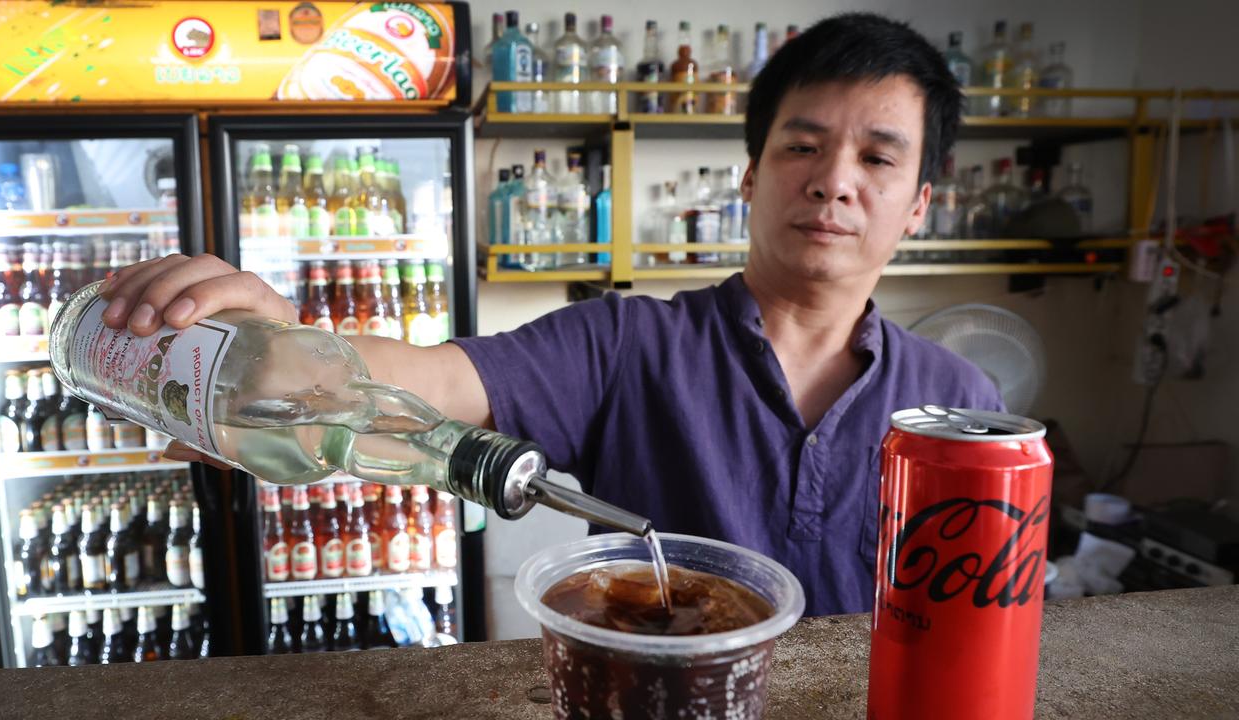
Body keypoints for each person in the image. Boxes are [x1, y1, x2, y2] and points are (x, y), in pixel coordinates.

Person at [100, 13, 1001, 616]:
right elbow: (435, 384)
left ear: (919, 202)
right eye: (802, 145)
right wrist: (276, 345)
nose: (834, 180)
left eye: (878, 159)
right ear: (752, 176)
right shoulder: (626, 343)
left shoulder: (963, 400)